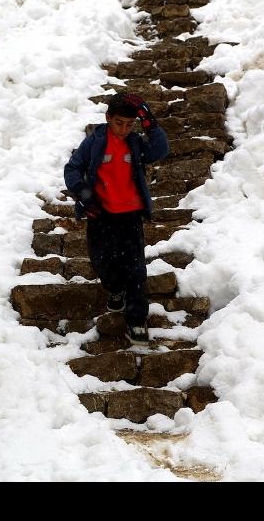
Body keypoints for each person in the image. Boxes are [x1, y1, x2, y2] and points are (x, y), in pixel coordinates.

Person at [63, 93, 169, 345]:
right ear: (108, 118)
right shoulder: (94, 142)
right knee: (102, 263)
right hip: (100, 215)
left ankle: (136, 319)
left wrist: (148, 121)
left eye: (129, 124)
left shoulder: (135, 143)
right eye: (119, 122)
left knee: (135, 268)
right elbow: (72, 168)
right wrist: (85, 195)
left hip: (130, 215)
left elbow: (160, 149)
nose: (124, 129)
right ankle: (116, 289)